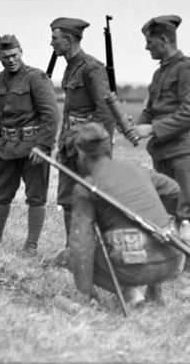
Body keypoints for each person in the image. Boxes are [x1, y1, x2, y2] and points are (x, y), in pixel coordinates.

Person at [125, 15, 190, 285]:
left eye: (150, 42)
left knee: (189, 211)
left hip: (186, 152)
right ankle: (172, 265)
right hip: (163, 152)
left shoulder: (189, 70)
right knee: (169, 211)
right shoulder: (160, 72)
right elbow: (151, 111)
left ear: (164, 40)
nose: (146, 47)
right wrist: (136, 128)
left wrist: (152, 129)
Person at [67, 122, 183, 307]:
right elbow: (174, 190)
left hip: (135, 267)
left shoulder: (86, 187)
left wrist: (84, 291)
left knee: (70, 256)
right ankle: (154, 292)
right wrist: (154, 212)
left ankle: (132, 297)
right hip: (172, 257)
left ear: (81, 153)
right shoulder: (137, 169)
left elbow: (81, 245)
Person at [0, 34, 60, 257]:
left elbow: (51, 116)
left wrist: (44, 146)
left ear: (21, 52)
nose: (10, 60)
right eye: (5, 57)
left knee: (36, 196)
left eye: (14, 55)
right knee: (0, 194)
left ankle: (31, 244)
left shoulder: (37, 78)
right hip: (6, 148)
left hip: (33, 148)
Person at [49, 17, 115, 265]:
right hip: (69, 145)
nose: (51, 43)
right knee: (67, 199)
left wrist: (89, 144)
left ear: (68, 39)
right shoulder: (70, 67)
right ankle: (73, 250)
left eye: (55, 38)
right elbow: (70, 112)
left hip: (88, 148)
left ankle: (97, 255)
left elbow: (106, 112)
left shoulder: (92, 68)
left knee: (93, 200)